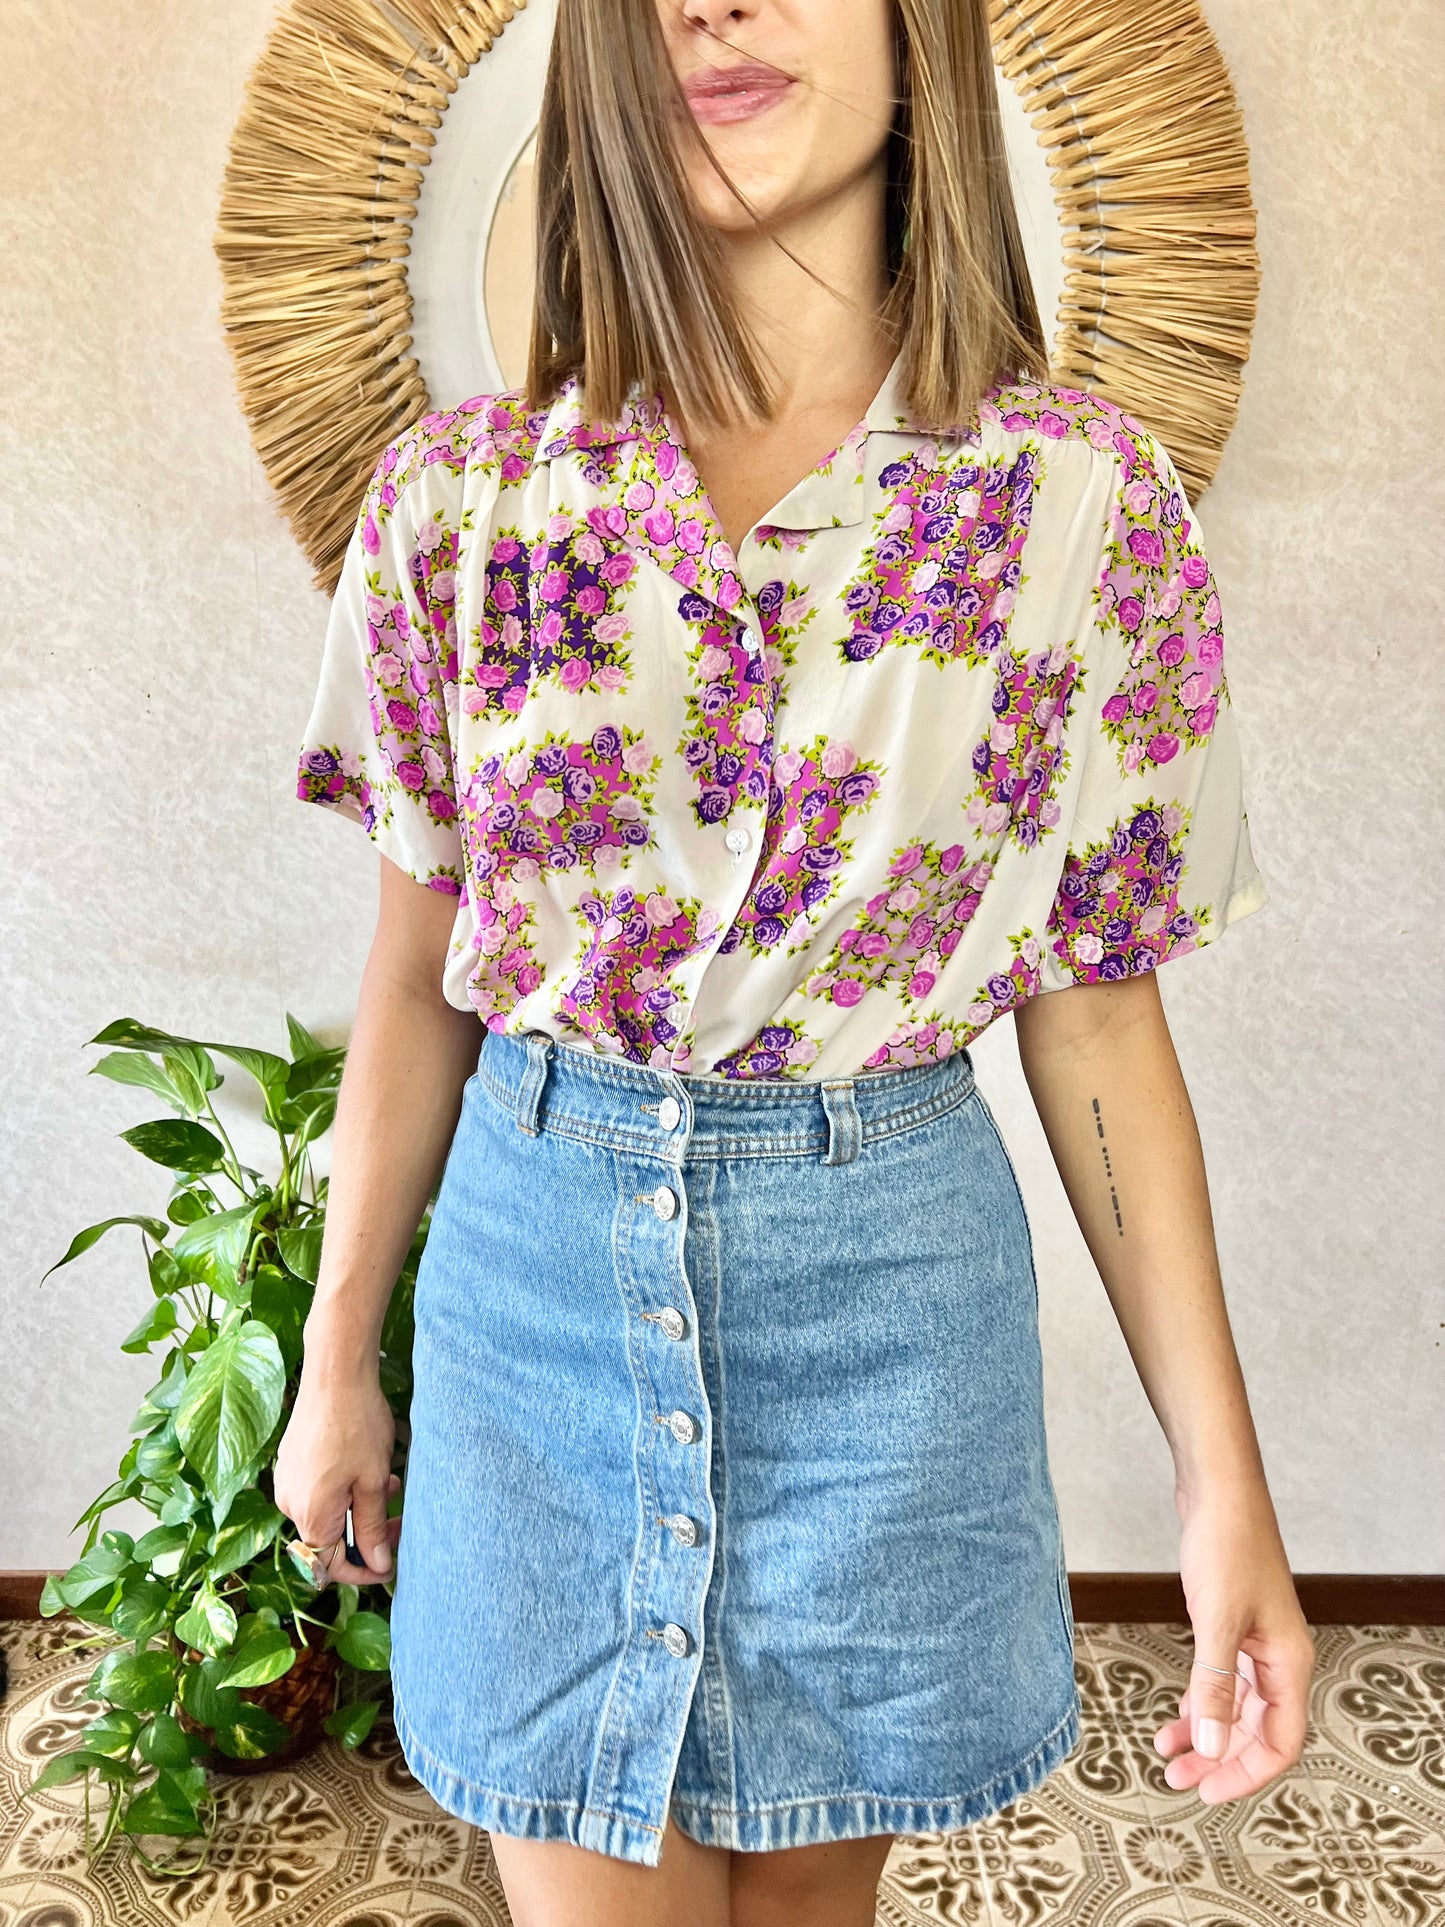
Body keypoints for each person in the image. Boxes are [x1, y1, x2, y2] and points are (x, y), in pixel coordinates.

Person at [274, 0, 1316, 1922]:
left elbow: (1096, 1028)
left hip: (891, 1315)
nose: (709, 7)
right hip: (538, 1300)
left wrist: (1219, 1486)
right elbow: (418, 969)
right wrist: (339, 1357)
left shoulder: (1078, 512)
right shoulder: (459, 502)